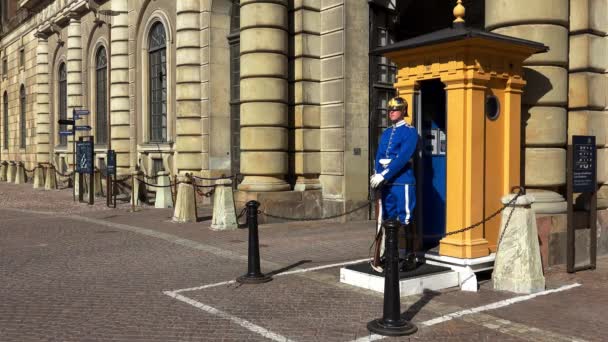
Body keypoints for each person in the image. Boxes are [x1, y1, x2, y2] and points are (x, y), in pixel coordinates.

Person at [370, 96, 418, 272]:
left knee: (406, 217)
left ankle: (411, 255)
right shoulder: (386, 133)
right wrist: (376, 173)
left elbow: (403, 157)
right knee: (388, 218)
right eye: (389, 110)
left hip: (402, 181)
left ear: (404, 111)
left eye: (395, 110)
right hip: (387, 183)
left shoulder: (410, 132)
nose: (391, 112)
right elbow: (379, 154)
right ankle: (390, 254)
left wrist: (384, 174)